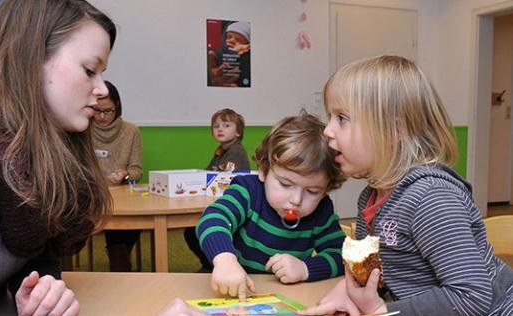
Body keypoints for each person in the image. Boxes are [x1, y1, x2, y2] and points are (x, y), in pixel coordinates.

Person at [0, 1, 189, 315]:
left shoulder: (35, 154)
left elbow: (33, 250)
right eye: (89, 70)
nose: (102, 88)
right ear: (31, 58)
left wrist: (41, 294)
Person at [300, 55, 513, 316]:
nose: (327, 131)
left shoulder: (431, 198)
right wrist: (349, 290)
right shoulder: (371, 196)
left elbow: (470, 297)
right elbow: (388, 273)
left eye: (342, 118)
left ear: (395, 128)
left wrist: (383, 311)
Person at [192, 112, 347, 301]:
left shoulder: (321, 209)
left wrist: (306, 268)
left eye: (312, 191)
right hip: (236, 291)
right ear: (264, 171)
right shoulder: (247, 191)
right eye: (285, 184)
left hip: (288, 296)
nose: (296, 200)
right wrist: (225, 259)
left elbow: (341, 254)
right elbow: (213, 219)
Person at [184, 108, 250, 270]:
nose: (220, 129)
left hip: (232, 204)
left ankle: (212, 263)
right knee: (191, 232)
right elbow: (209, 173)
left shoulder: (236, 152)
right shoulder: (221, 151)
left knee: (193, 232)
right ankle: (210, 262)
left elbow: (226, 178)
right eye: (216, 126)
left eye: (226, 125)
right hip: (216, 198)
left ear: (238, 133)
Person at [91, 80, 143, 272]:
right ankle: (120, 264)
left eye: (108, 111)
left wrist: (126, 175)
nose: (102, 116)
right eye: (97, 111)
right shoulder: (81, 129)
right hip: (92, 196)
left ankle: (119, 264)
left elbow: (137, 170)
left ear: (117, 107)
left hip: (123, 196)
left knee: (126, 225)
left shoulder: (131, 131)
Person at [208, 21, 251, 87]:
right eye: (229, 37)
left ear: (246, 45)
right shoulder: (221, 50)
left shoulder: (244, 53)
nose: (231, 40)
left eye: (238, 39)